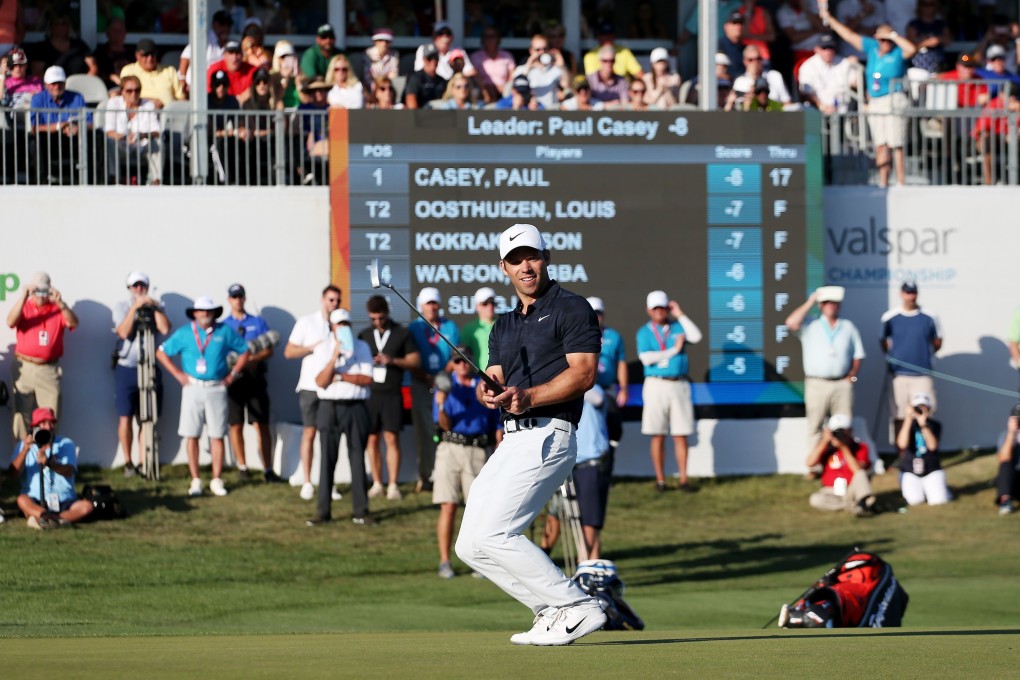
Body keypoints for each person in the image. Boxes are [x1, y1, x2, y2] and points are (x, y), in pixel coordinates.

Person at [455, 223, 608, 646]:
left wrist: (529, 396)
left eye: (533, 256)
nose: (526, 266)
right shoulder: (503, 325)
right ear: (503, 267)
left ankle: (578, 605)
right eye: (516, 259)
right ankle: (551, 609)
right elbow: (497, 378)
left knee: (495, 533)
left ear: (547, 258)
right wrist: (489, 390)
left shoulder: (571, 308)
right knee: (470, 545)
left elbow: (584, 374)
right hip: (514, 438)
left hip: (550, 433)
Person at [156, 296, 250, 498]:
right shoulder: (185, 333)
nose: (204, 314)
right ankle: (195, 479)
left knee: (217, 434)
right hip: (193, 388)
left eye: (208, 311)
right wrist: (178, 375)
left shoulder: (224, 331)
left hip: (216, 387)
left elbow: (245, 350)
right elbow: (162, 352)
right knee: (192, 434)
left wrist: (233, 375)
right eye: (201, 311)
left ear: (214, 313)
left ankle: (217, 479)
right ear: (195, 313)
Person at [821, 8, 916, 187]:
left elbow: (911, 49)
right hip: (875, 101)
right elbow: (849, 35)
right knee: (881, 144)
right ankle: (883, 182)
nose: (884, 43)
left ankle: (901, 182)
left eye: (887, 40)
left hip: (894, 99)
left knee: (896, 144)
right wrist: (829, 19)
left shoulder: (897, 52)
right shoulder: (872, 48)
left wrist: (893, 35)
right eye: (881, 39)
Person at [305, 308, 375, 527]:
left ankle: (361, 511)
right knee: (327, 460)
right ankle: (323, 511)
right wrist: (335, 357)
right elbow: (321, 381)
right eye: (339, 325)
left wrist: (341, 376)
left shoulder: (362, 347)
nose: (343, 328)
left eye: (346, 324)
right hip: (329, 407)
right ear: (331, 328)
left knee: (357, 459)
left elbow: (366, 378)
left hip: (355, 407)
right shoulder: (323, 349)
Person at [434, 345, 498, 579]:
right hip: (450, 446)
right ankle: (444, 561)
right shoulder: (445, 386)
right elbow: (444, 424)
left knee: (476, 510)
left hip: (478, 449)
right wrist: (441, 403)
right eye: (457, 362)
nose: (461, 365)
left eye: (465, 361)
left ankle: (477, 559)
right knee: (448, 505)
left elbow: (496, 426)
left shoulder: (483, 386)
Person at [636, 290, 703, 492]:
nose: (659, 311)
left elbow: (697, 336)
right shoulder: (644, 332)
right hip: (656, 384)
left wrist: (680, 314)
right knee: (657, 434)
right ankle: (661, 480)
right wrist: (674, 350)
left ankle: (683, 480)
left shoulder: (677, 326)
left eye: (663, 307)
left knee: (681, 434)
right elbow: (647, 358)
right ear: (649, 310)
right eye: (655, 308)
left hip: (679, 383)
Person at [785, 286, 865, 451]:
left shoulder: (848, 326)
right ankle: (815, 465)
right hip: (817, 383)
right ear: (821, 306)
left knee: (845, 425)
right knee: (815, 425)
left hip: (842, 383)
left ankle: (844, 463)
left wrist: (853, 377)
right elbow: (791, 323)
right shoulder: (810, 324)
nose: (831, 306)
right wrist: (811, 300)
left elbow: (858, 355)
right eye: (827, 303)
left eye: (835, 303)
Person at [358, 294, 419, 500]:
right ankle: (377, 483)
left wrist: (393, 360)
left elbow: (414, 360)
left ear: (387, 313)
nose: (377, 322)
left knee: (392, 438)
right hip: (370, 394)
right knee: (372, 439)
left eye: (381, 318)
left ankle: (393, 484)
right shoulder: (364, 335)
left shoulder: (401, 333)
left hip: (393, 393)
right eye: (373, 319)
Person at [285, 285, 342, 500]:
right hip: (310, 387)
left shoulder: (341, 325)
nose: (334, 304)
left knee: (330, 437)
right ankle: (308, 481)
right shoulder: (307, 322)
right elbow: (289, 351)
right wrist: (313, 347)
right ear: (322, 300)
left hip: (334, 388)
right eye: (330, 300)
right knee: (309, 432)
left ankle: (329, 482)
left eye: (337, 300)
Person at [6, 271, 78, 440]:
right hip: (24, 368)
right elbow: (10, 322)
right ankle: (21, 461)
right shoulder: (25, 306)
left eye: (44, 291)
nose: (41, 295)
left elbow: (74, 323)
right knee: (21, 417)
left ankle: (48, 458)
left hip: (48, 369)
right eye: (37, 290)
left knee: (49, 417)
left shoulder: (57, 308)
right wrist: (24, 296)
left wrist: (61, 303)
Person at [112, 271, 170, 477]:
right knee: (125, 417)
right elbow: (123, 332)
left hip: (151, 366)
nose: (139, 290)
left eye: (142, 286)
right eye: (135, 286)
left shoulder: (157, 306)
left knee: (148, 416)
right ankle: (128, 463)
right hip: (127, 367)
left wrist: (152, 307)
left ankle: (146, 463)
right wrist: (136, 308)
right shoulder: (121, 307)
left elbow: (164, 329)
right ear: (129, 288)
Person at [223, 284, 282, 483]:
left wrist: (251, 359)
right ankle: (242, 467)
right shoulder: (224, 325)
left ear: (245, 298)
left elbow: (269, 349)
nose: (237, 300)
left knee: (261, 424)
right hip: (234, 380)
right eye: (234, 297)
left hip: (255, 378)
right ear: (229, 300)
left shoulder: (257, 322)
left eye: (240, 296)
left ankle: (267, 468)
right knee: (235, 424)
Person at [409, 287, 460, 493]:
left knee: (447, 429)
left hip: (445, 385)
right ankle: (426, 475)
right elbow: (411, 358)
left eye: (434, 303)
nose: (431, 307)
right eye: (428, 303)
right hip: (421, 384)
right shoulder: (414, 328)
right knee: (424, 433)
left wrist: (441, 377)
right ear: (421, 305)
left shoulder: (450, 326)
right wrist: (426, 377)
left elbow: (455, 356)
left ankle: (447, 475)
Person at [11, 407, 94, 529]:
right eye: (43, 423)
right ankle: (53, 518)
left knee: (86, 506)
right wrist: (24, 450)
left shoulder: (65, 443)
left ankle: (49, 520)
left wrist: (50, 463)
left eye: (51, 422)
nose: (48, 427)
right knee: (22, 500)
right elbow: (13, 474)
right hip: (36, 498)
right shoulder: (24, 446)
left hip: (64, 499)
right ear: (35, 426)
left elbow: (69, 471)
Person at [881, 280, 942, 421]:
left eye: (913, 293)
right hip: (899, 375)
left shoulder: (929, 316)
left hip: (923, 375)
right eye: (908, 293)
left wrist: (924, 354)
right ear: (901, 294)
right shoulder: (890, 317)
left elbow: (938, 341)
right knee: (901, 415)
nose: (911, 296)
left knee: (925, 415)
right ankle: (902, 443)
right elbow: (883, 340)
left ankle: (923, 443)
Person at [29, 66, 93, 184]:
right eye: (53, 83)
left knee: (95, 137)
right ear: (46, 85)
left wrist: (78, 128)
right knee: (36, 139)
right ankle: (41, 182)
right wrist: (61, 125)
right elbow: (35, 128)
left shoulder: (77, 97)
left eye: (60, 83)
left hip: (74, 140)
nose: (57, 86)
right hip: (49, 141)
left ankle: (93, 180)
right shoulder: (38, 99)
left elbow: (90, 123)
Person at [571, 384, 613, 558]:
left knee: (590, 522)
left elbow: (597, 398)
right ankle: (588, 566)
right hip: (571, 465)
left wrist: (572, 378)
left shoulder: (593, 389)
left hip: (592, 464)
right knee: (578, 521)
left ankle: (588, 566)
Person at [806, 413, 876, 515]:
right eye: (836, 432)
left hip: (852, 489)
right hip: (831, 491)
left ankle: (863, 502)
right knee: (815, 499)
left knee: (861, 473)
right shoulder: (827, 448)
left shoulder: (860, 447)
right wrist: (824, 441)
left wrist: (844, 448)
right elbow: (810, 463)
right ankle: (856, 506)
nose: (839, 435)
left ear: (850, 431)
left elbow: (858, 470)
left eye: (843, 432)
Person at [103, 74, 163, 185]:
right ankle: (114, 179)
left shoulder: (148, 105)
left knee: (157, 143)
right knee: (109, 141)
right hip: (121, 144)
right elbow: (109, 131)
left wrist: (143, 135)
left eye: (137, 90)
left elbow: (157, 131)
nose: (134, 94)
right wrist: (124, 137)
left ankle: (156, 180)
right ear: (122, 91)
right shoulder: (113, 103)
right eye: (129, 91)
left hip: (142, 145)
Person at [588, 297, 628, 453]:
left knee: (613, 426)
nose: (595, 317)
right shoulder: (577, 335)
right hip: (587, 390)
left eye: (598, 313)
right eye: (592, 313)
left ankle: (607, 465)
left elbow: (621, 363)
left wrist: (623, 389)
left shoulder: (614, 336)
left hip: (607, 387)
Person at [896, 392, 950, 506]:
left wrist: (923, 425)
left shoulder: (935, 425)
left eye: (924, 407)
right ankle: (925, 491)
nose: (920, 410)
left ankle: (939, 490)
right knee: (914, 501)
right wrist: (908, 418)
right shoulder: (904, 424)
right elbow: (902, 444)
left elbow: (932, 446)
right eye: (918, 407)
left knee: (938, 501)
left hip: (931, 469)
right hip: (909, 470)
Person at [179, 9, 232, 95]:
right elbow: (186, 57)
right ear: (214, 24)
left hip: (218, 88)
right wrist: (182, 79)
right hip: (196, 87)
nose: (226, 28)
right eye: (222, 24)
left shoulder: (231, 45)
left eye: (228, 25)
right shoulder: (203, 40)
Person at [510, 33, 569, 110]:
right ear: (531, 50)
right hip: (528, 112)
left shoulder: (555, 69)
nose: (542, 52)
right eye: (538, 50)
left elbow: (566, 84)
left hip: (550, 112)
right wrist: (529, 64)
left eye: (545, 49)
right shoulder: (521, 69)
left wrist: (562, 66)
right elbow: (514, 88)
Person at [119, 39, 184, 109]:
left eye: (153, 54)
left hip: (170, 116)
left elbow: (181, 97)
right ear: (137, 55)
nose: (150, 58)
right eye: (145, 55)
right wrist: (150, 103)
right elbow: (126, 96)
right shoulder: (129, 70)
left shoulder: (169, 70)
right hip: (141, 115)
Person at [798, 34, 854, 114]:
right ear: (816, 49)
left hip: (843, 110)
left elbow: (855, 83)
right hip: (816, 110)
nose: (828, 51)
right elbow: (806, 94)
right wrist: (822, 106)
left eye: (831, 48)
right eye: (824, 48)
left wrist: (855, 65)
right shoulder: (808, 66)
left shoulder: (844, 62)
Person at [726, 45, 791, 110]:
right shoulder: (740, 81)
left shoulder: (775, 76)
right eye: (751, 60)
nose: (755, 63)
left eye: (758, 59)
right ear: (745, 62)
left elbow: (786, 102)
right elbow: (739, 108)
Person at [470, 27, 515, 103]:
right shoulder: (475, 56)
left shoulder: (507, 56)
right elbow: (474, 77)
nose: (490, 39)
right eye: (487, 37)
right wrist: (485, 91)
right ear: (482, 39)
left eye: (493, 36)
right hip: (484, 93)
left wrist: (506, 88)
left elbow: (513, 76)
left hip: (504, 93)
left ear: (498, 39)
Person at [403, 44, 447, 109]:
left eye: (436, 58)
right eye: (430, 58)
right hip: (421, 115)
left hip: (440, 115)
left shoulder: (442, 80)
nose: (433, 61)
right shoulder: (415, 78)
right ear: (424, 59)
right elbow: (411, 102)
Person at [92, 17, 132, 89]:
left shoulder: (132, 53)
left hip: (131, 89)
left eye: (120, 30)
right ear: (107, 33)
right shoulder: (100, 53)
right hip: (107, 90)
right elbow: (96, 75)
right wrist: (110, 77)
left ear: (125, 33)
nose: (117, 33)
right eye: (114, 30)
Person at [994, 405, 1020, 515]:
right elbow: (1003, 458)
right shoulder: (1006, 435)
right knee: (1005, 464)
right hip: (1014, 480)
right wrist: (1011, 434)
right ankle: (1005, 501)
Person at [269, 41, 301, 109]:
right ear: (277, 58)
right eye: (283, 57)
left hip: (297, 111)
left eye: (289, 56)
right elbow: (276, 98)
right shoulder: (272, 76)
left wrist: (298, 81)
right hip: (281, 113)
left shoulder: (300, 74)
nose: (286, 59)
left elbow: (305, 99)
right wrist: (285, 79)